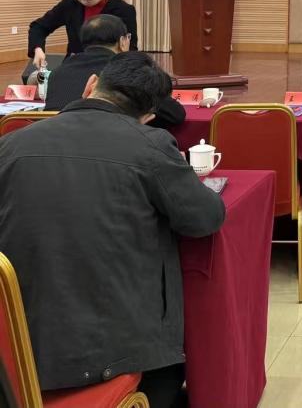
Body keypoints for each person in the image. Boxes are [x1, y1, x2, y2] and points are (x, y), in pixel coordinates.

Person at [0, 51, 224, 408]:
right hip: (114, 355)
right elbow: (204, 218)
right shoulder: (150, 144)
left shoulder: (11, 144)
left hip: (16, 350)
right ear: (149, 115)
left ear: (91, 85)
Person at [44, 14, 185, 129]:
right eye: (128, 37)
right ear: (122, 41)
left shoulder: (58, 72)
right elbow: (175, 115)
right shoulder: (127, 71)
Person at [29, 0, 138, 70]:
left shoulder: (123, 10)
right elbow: (39, 27)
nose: (82, 1)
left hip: (107, 69)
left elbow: (131, 48)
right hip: (74, 65)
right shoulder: (70, 3)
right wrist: (37, 49)